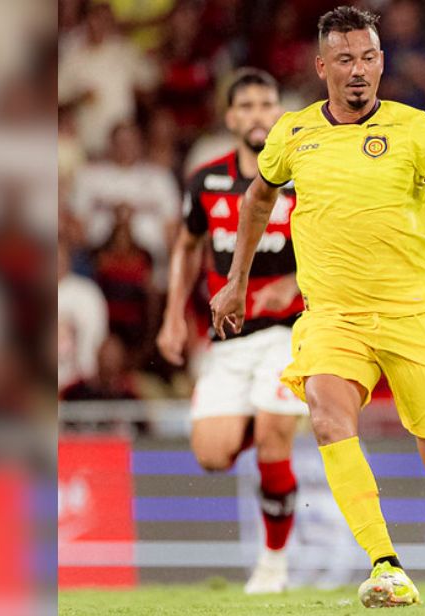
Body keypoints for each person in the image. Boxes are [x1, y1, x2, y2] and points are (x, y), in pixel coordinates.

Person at [208, 6, 425, 608]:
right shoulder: (293, 132)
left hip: (415, 318)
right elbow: (257, 199)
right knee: (328, 417)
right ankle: (387, 565)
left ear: (381, 61)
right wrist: (236, 281)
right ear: (322, 65)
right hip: (334, 318)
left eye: (369, 58)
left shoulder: (414, 128)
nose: (359, 71)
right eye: (346, 59)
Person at [156, 68, 306, 595]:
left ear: (279, 113)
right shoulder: (207, 180)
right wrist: (174, 314)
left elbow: (340, 243)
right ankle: (273, 422)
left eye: (268, 104)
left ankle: (273, 564)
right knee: (212, 455)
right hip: (230, 340)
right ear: (230, 118)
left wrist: (294, 282)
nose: (258, 114)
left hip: (293, 332)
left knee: (272, 437)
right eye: (247, 106)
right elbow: (187, 247)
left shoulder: (302, 175)